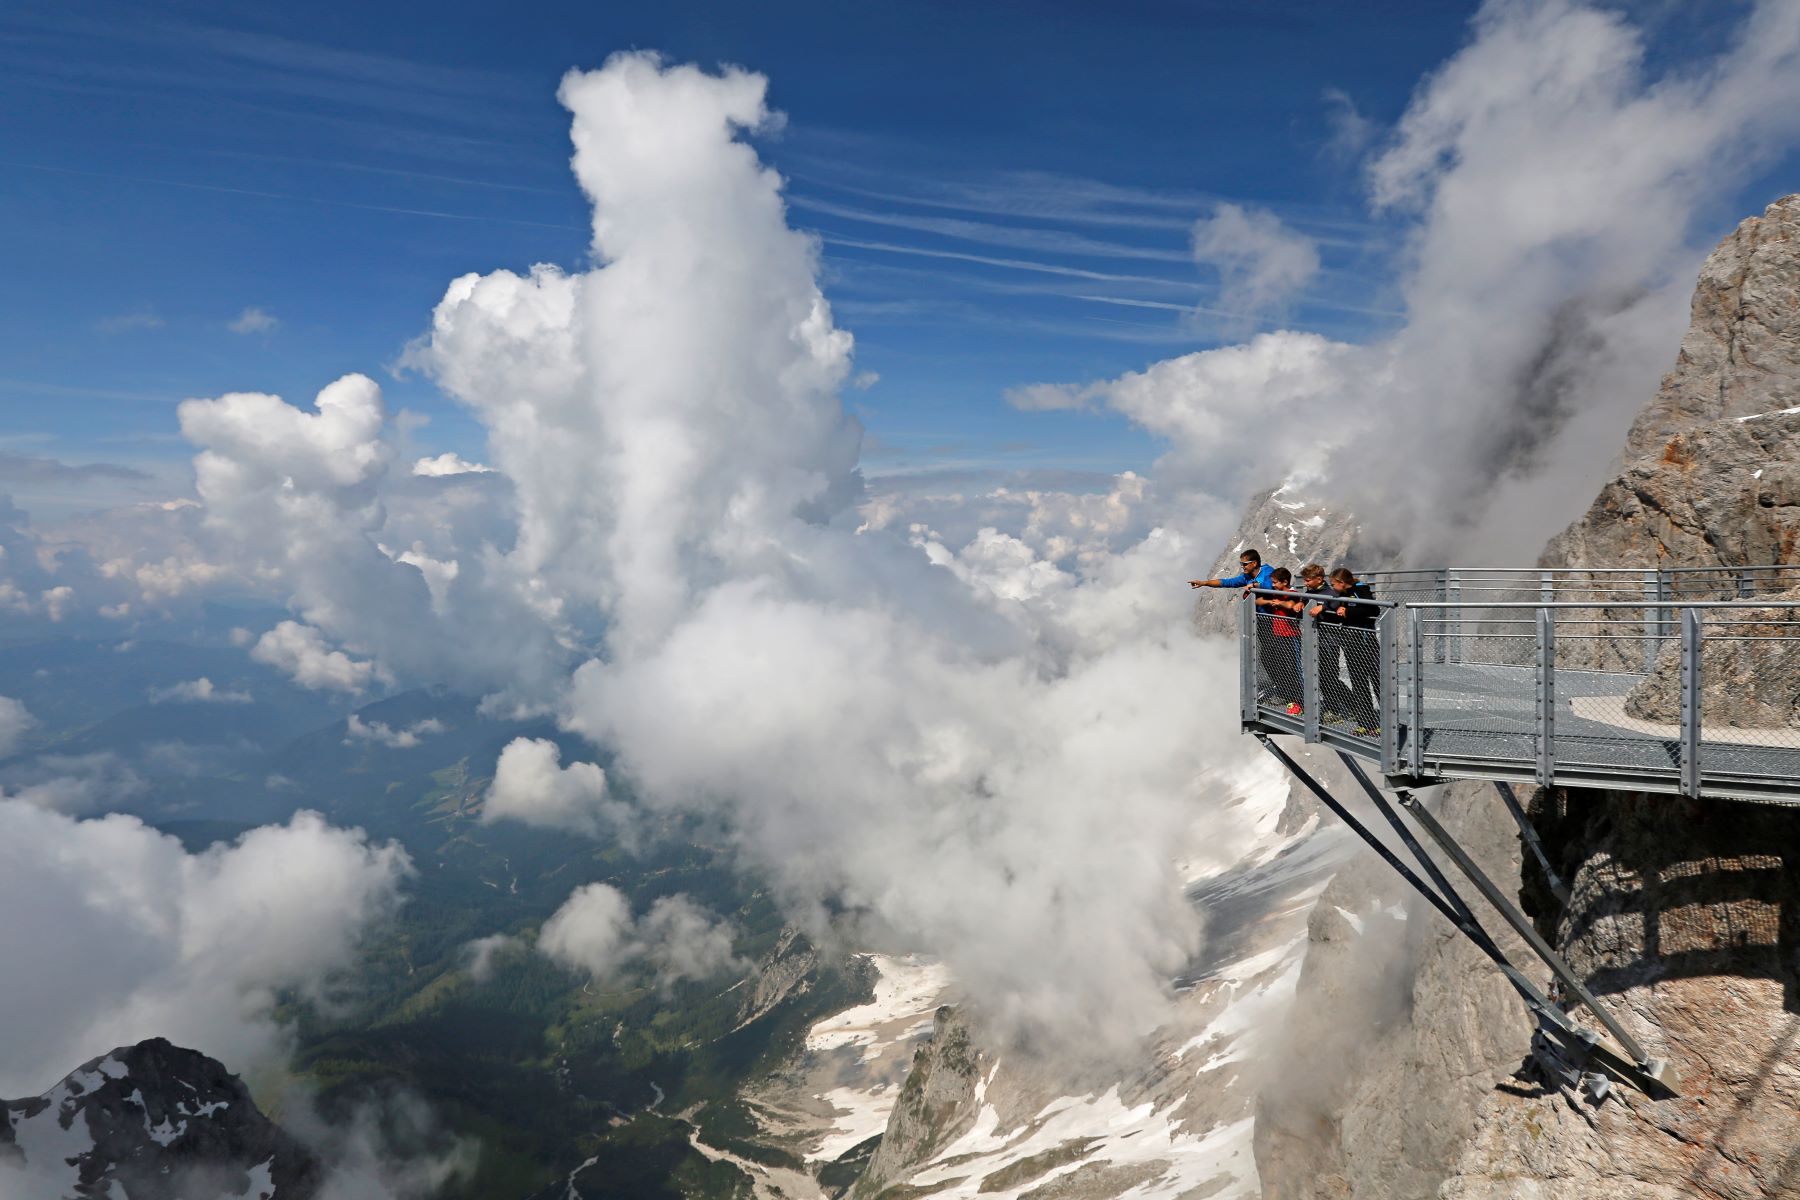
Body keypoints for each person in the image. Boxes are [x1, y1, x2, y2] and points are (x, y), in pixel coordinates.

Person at [1325, 567, 1380, 732]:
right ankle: (1365, 723)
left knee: (1378, 682)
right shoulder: (1341, 594)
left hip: (1366, 643)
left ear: (1342, 583)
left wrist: (1348, 611)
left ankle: (1385, 724)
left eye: (1334, 584)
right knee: (1358, 683)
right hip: (1350, 643)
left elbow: (1373, 610)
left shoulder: (1361, 590)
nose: (1332, 587)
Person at [1301, 563, 1351, 720]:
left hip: (1330, 641)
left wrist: (1322, 607)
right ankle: (1350, 704)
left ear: (1319, 579)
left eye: (1308, 580)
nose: (1305, 583)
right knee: (1322, 675)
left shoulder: (1330, 592)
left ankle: (1335, 709)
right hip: (1315, 639)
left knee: (1329, 675)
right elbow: (1302, 601)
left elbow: (1336, 602)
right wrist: (1299, 604)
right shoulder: (1309, 592)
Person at [1256, 568, 1306, 714]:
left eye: (1275, 583)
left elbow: (1291, 605)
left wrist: (1280, 603)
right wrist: (1270, 601)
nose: (1273, 585)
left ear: (1284, 582)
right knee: (1281, 666)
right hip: (1278, 636)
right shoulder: (1276, 593)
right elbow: (1258, 600)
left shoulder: (1293, 593)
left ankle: (1301, 702)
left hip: (1291, 637)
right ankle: (1290, 698)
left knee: (1293, 669)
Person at [1189, 548, 1274, 593]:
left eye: (1245, 564)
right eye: (1241, 564)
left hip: (1272, 618)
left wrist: (1255, 585)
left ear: (1254, 563)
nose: (1242, 567)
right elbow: (1227, 582)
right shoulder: (1246, 577)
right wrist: (1204, 583)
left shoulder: (1268, 571)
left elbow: (1271, 586)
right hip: (1257, 617)